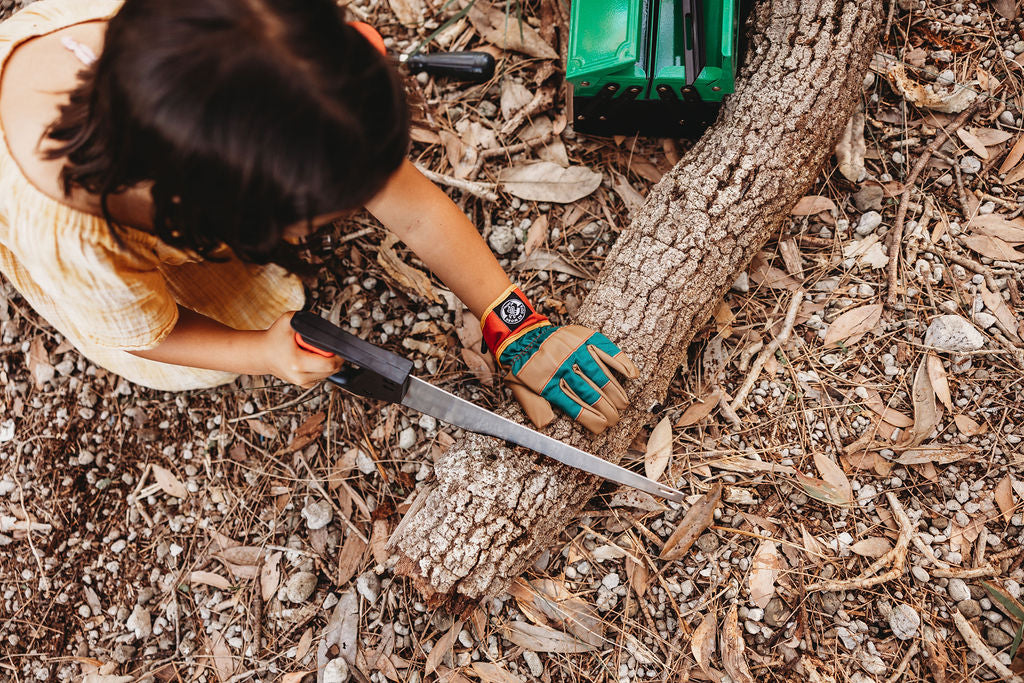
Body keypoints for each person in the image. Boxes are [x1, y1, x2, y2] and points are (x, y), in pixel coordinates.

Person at [0, 0, 638, 434]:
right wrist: (262, 352)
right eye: (320, 218)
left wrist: (513, 322)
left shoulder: (244, 49)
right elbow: (150, 333)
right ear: (236, 217)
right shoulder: (75, 243)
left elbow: (413, 209)